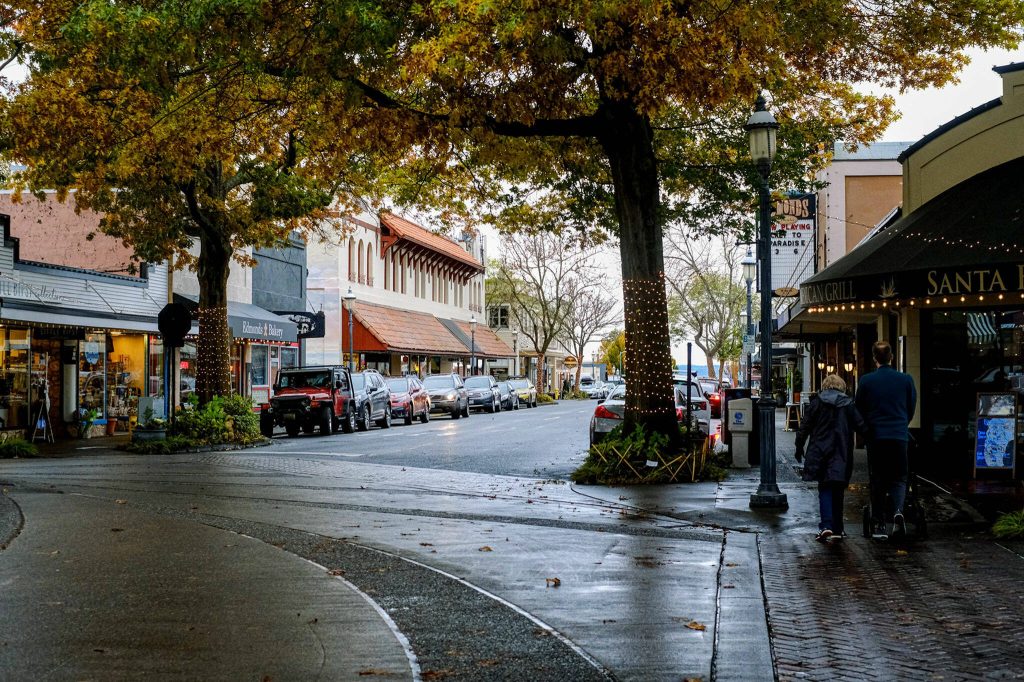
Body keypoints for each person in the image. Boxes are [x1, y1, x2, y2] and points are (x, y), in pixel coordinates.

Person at [855, 340, 918, 539]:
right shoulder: (906, 380)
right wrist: (901, 423)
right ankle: (898, 510)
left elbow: (859, 408)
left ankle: (879, 523)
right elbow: (911, 407)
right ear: (891, 357)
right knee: (900, 477)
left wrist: (866, 430)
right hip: (899, 436)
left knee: (878, 479)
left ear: (875, 358)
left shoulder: (866, 381)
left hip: (876, 437)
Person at [795, 373, 865, 542]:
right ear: (841, 387)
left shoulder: (816, 403)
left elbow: (805, 426)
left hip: (820, 451)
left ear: (825, 386)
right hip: (841, 452)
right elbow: (861, 425)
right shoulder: (848, 404)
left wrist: (799, 446)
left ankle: (826, 525)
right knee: (838, 489)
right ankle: (838, 528)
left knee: (825, 487)